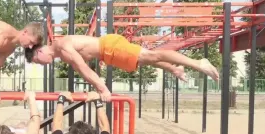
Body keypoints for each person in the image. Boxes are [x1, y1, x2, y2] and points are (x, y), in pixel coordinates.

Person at [25, 34, 220, 101]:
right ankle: (175, 69)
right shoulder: (61, 52)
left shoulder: (60, 47)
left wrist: (102, 89)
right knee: (146, 59)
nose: (39, 64)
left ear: (40, 52)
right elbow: (85, 67)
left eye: (36, 61)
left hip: (110, 47)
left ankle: (198, 63)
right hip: (108, 52)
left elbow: (84, 69)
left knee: (152, 55)